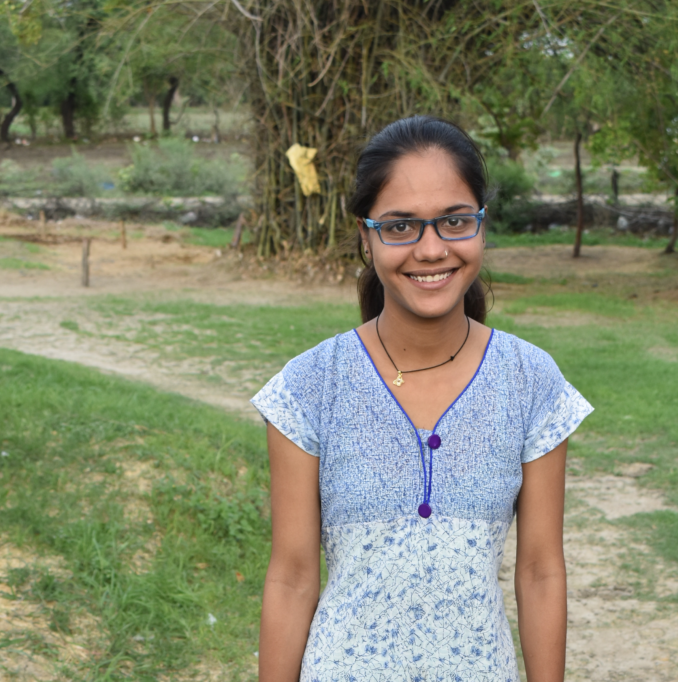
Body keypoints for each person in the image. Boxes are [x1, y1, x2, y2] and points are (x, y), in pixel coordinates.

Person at [251, 116, 593, 682]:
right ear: (365, 236)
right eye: (401, 226)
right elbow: (291, 577)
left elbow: (538, 572)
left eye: (455, 221)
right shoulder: (310, 385)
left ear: (481, 225)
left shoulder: (531, 379)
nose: (431, 250)